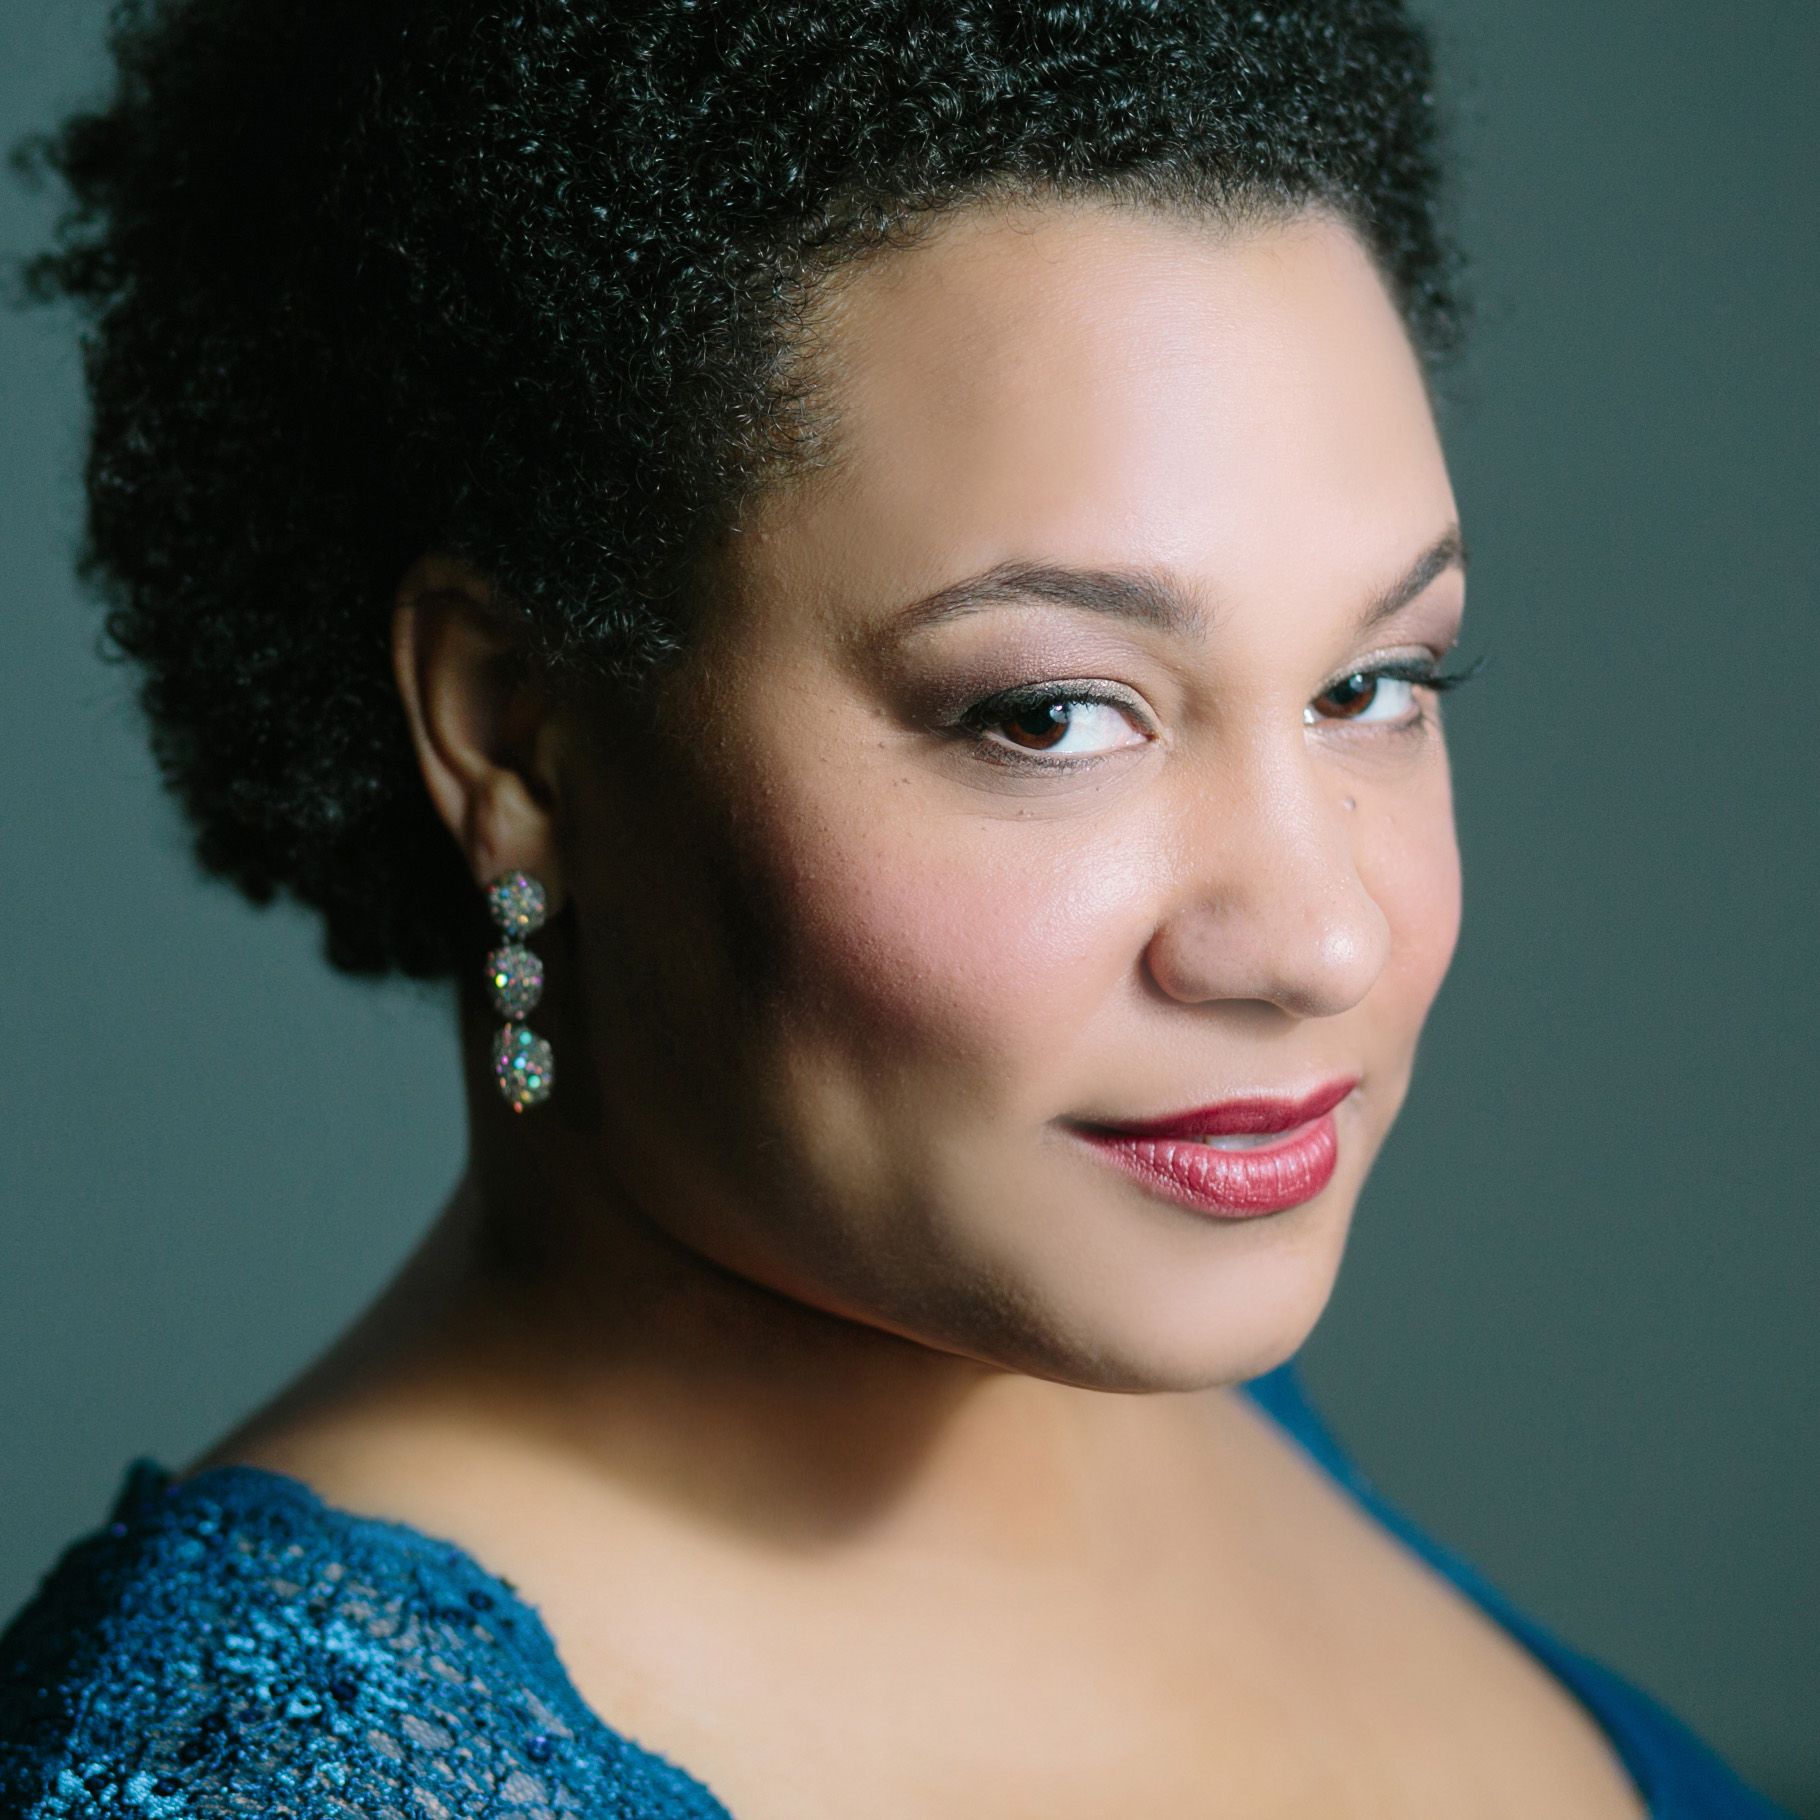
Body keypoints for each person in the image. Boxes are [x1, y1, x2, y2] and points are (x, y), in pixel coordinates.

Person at [0, 0, 1785, 1814]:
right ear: (511, 734)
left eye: (1373, 686)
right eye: (1052, 714)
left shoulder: (1144, 1369)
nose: (1322, 942)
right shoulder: (264, 1775)